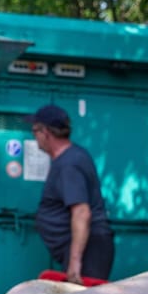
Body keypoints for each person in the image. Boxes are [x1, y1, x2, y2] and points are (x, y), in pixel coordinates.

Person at [26, 104, 114, 283]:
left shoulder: (69, 164)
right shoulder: (71, 157)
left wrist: (75, 263)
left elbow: (81, 212)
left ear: (46, 132)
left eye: (34, 131)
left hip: (89, 249)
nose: (34, 137)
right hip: (86, 248)